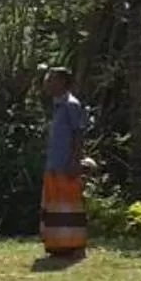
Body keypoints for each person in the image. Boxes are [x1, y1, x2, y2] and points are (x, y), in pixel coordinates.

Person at [38, 66, 91, 266]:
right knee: (55, 207)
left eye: (51, 79)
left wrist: (74, 161)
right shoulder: (57, 106)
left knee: (71, 207)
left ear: (62, 82)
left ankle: (77, 246)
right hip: (54, 163)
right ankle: (58, 245)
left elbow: (79, 134)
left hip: (66, 164)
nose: (47, 83)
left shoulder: (71, 105)